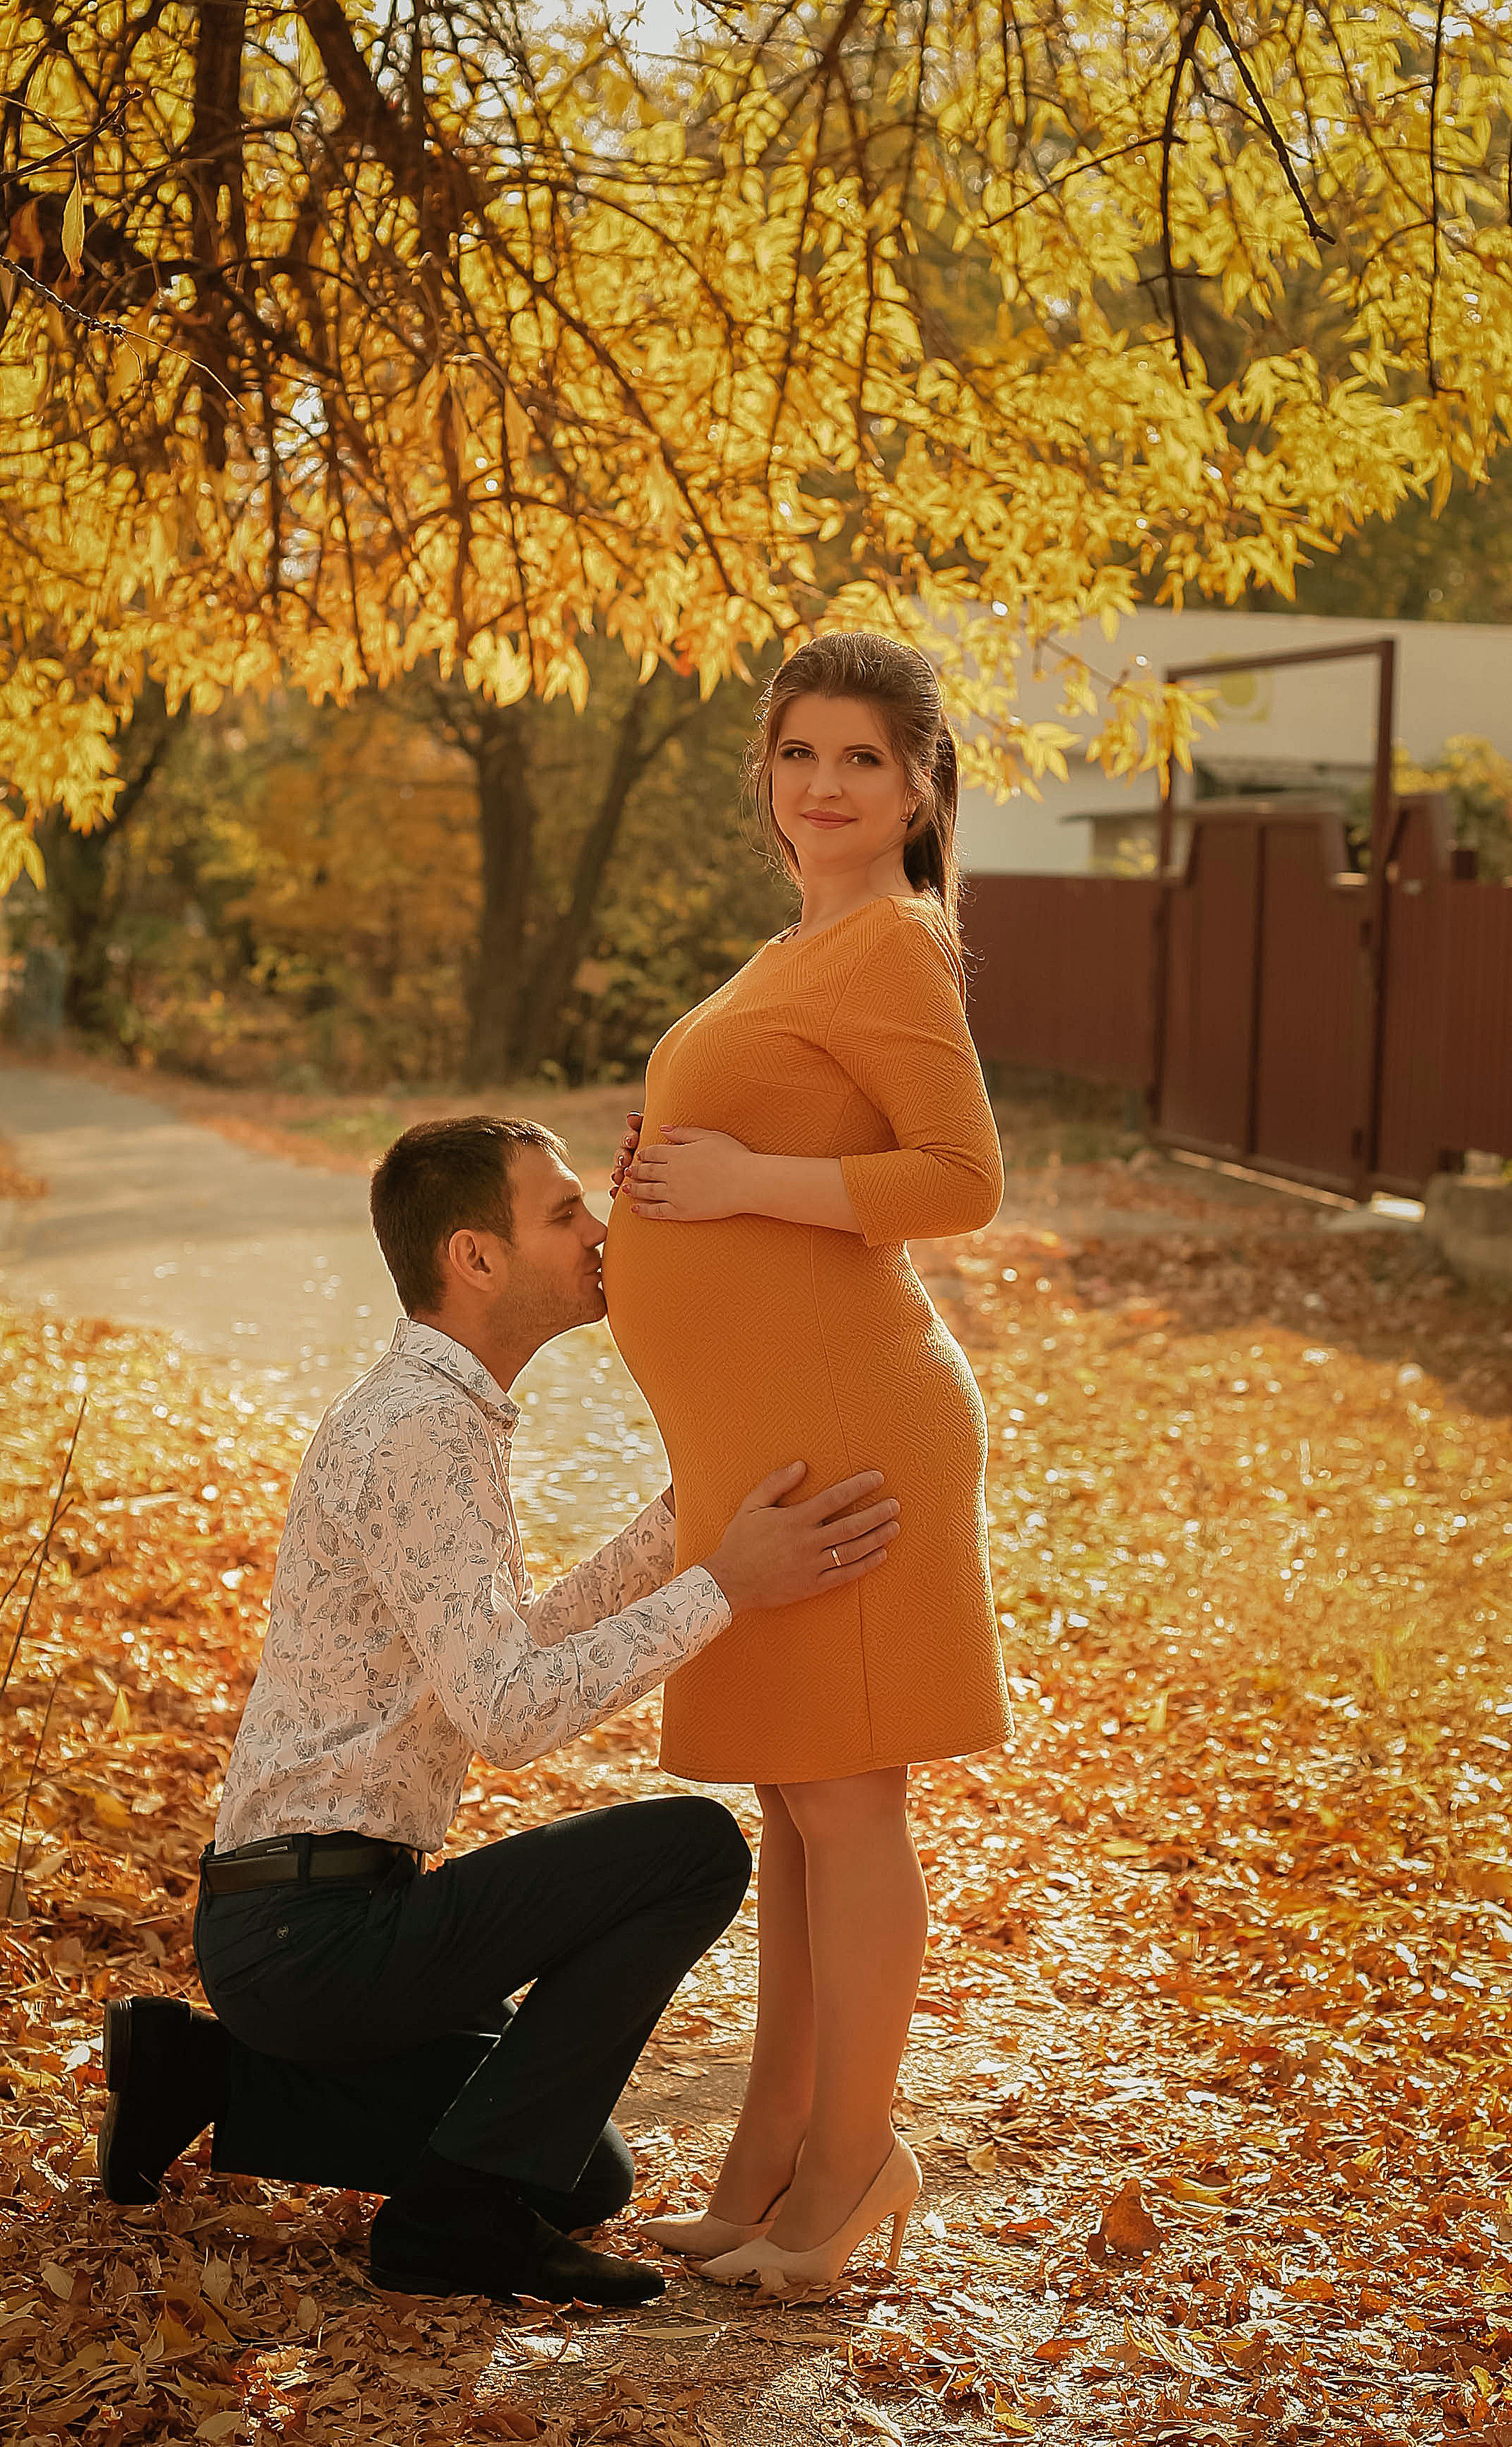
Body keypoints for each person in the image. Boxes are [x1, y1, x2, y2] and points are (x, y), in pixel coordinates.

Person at [97, 1115, 900, 2307]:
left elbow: (508, 1645)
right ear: (476, 1258)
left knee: (584, 2175)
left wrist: (698, 1524)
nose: (599, 1233)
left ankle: (200, 2073)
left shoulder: (432, 1410)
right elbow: (512, 1713)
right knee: (690, 1851)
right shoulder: (423, 1430)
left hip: (310, 1920)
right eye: (566, 1213)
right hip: (312, 1934)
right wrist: (727, 1586)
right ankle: (448, 2228)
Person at [603, 631, 1012, 2297]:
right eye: (799, 756)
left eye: (860, 759)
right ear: (767, 777)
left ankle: (850, 2173)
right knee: (796, 1810)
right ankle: (769, 2167)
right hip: (769, 1442)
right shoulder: (804, 947)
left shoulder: (897, 946)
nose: (825, 785)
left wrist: (749, 1184)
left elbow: (962, 1179)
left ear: (917, 787)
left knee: (846, 1808)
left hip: (854, 1435)